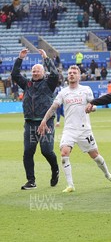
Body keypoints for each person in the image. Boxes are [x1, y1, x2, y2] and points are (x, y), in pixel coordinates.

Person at [37, 65, 111, 193]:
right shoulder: (63, 92)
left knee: (95, 155)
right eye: (69, 73)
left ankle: (108, 174)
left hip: (84, 129)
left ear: (79, 75)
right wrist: (44, 120)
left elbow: (94, 105)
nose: (71, 74)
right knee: (64, 153)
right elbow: (54, 107)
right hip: (69, 129)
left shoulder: (86, 89)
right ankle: (70, 185)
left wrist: (92, 108)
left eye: (74, 72)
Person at [11, 49, 60, 190]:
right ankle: (31, 181)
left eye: (38, 71)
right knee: (28, 152)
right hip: (30, 124)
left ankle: (55, 170)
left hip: (46, 122)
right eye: (33, 71)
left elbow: (55, 73)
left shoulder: (49, 84)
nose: (35, 73)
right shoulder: (27, 84)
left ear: (44, 73)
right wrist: (20, 58)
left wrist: (45, 58)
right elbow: (15, 74)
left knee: (46, 151)